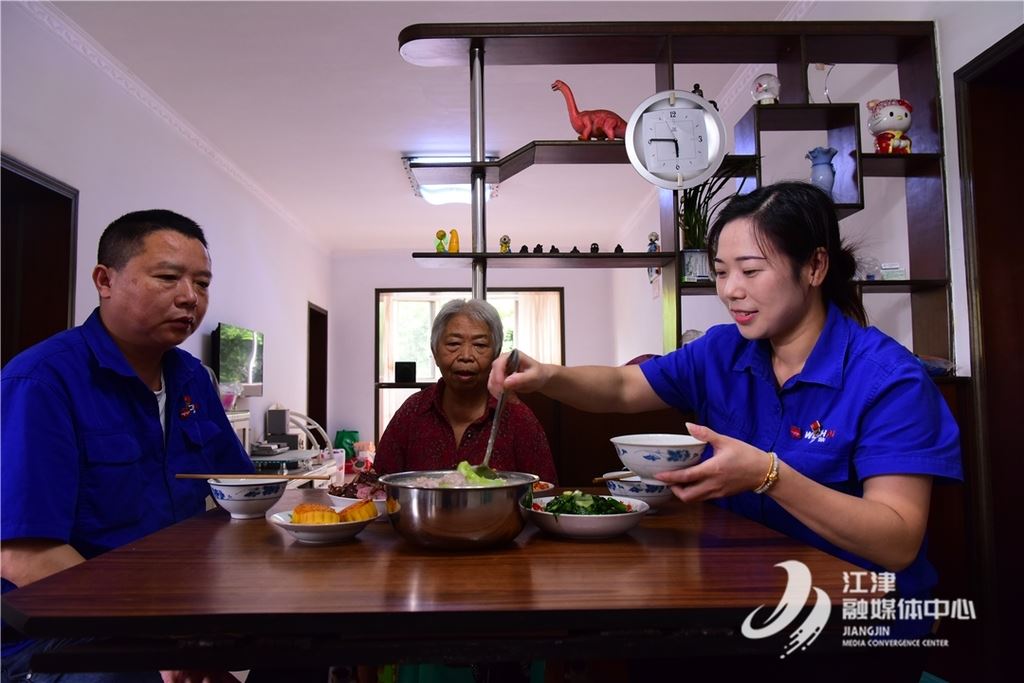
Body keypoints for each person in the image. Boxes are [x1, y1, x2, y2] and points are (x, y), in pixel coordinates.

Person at [488, 182, 961, 679]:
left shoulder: (889, 380)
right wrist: (548, 376)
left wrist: (767, 475)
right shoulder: (722, 350)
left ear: (815, 267)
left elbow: (896, 541)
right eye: (720, 271)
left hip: (854, 625)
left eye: (751, 271)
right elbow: (625, 387)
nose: (731, 289)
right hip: (743, 603)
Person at [1, 210, 255, 683]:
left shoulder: (192, 378)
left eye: (202, 283)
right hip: (60, 629)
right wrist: (156, 640)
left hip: (168, 607)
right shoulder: (42, 381)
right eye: (168, 278)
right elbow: (25, 556)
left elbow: (241, 489)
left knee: (298, 646)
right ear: (105, 280)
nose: (190, 297)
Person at [375, 298, 557, 484]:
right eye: (454, 343)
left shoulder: (519, 419)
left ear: (496, 354)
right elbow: (379, 483)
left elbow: (545, 491)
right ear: (434, 352)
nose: (466, 356)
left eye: (480, 345)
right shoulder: (412, 411)